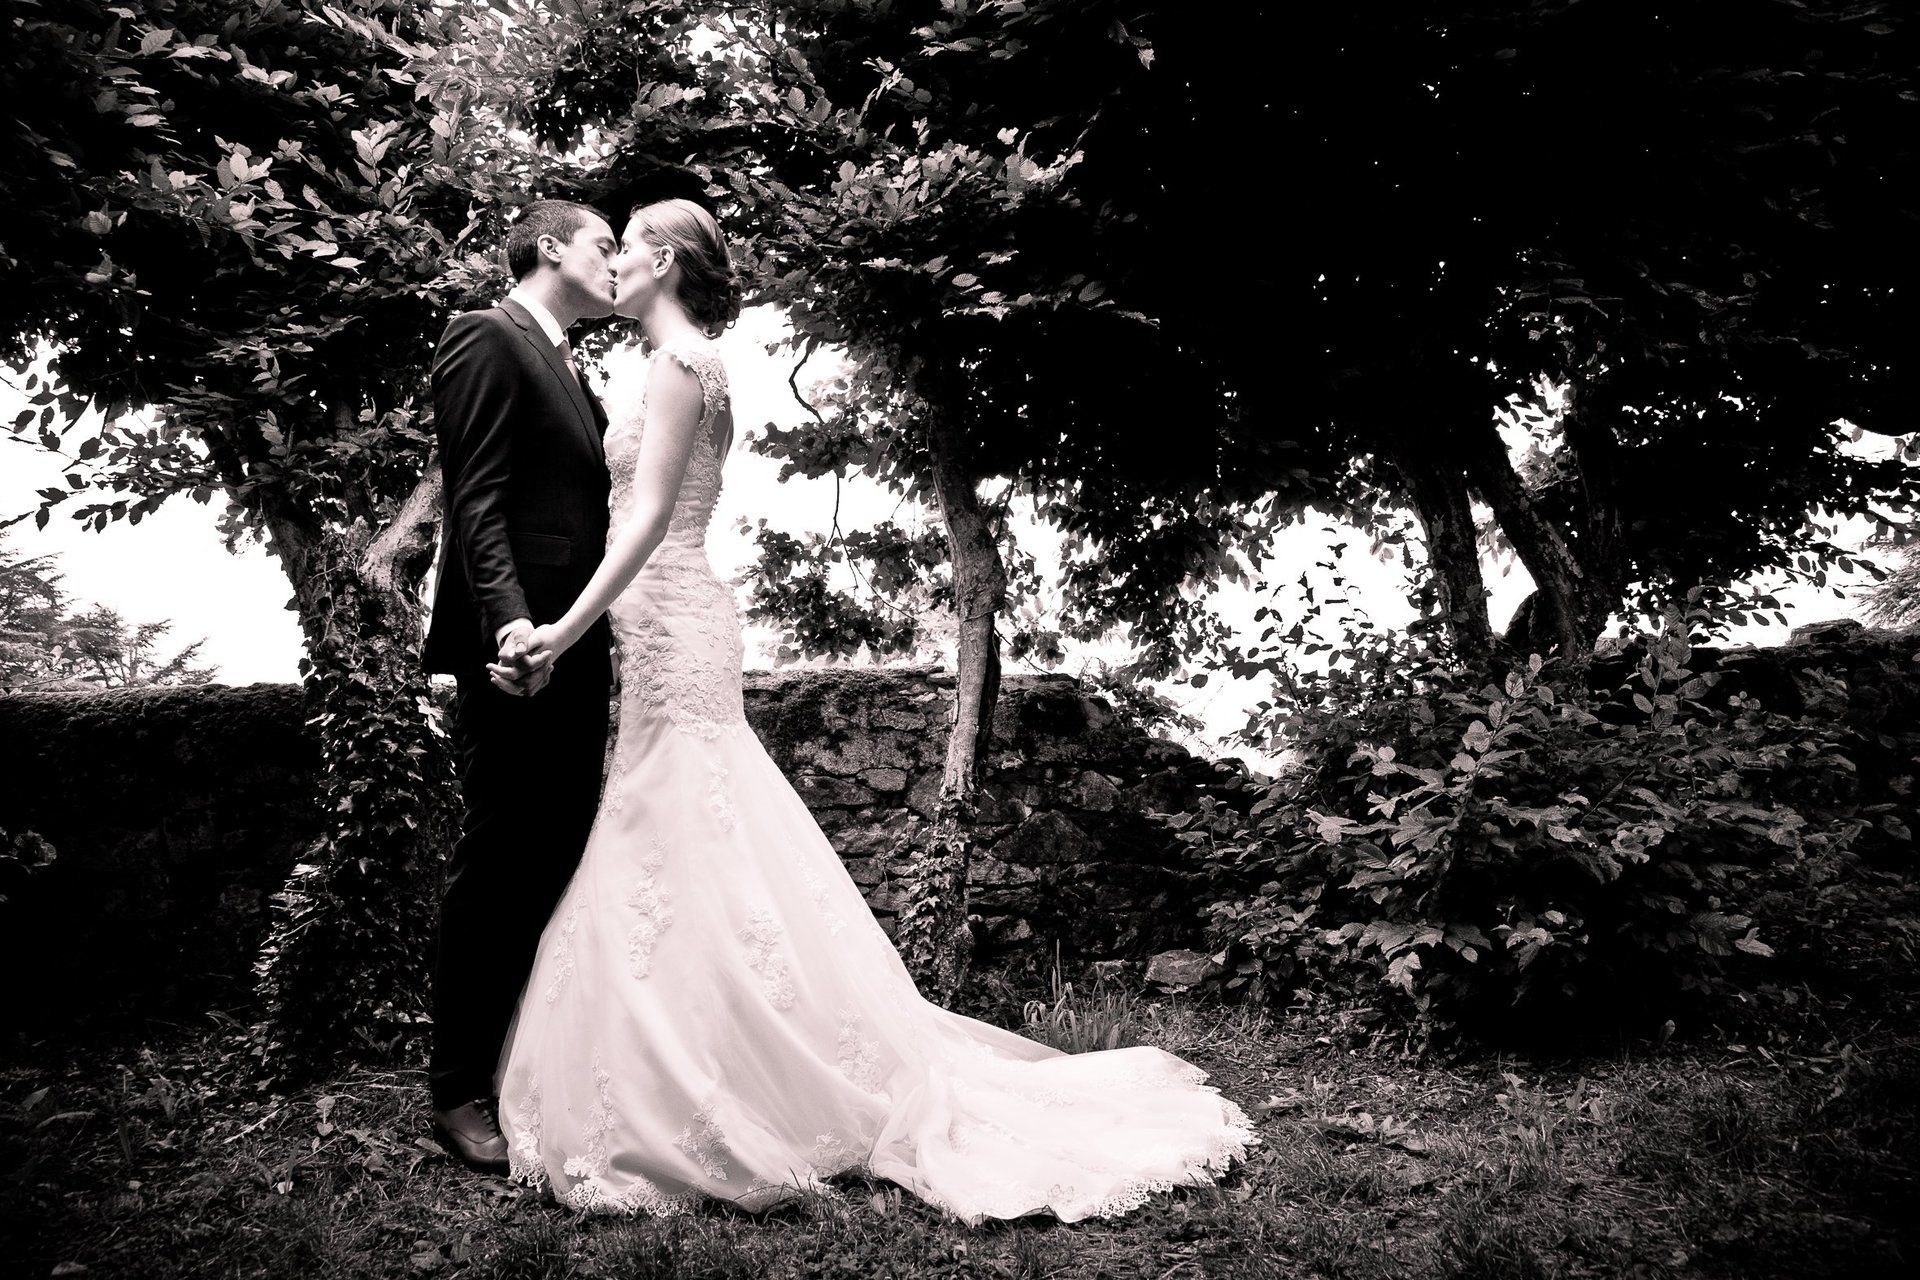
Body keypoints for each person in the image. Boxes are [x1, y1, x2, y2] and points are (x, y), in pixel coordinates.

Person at [494, 197, 1256, 1223]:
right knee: (677, 840)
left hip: (671, 619)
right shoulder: (662, 366)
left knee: (677, 830)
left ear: (664, 259)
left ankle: (717, 1080)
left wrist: (565, 626)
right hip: (661, 625)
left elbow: (641, 525)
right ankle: (708, 1058)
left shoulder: (682, 369)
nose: (613, 263)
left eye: (624, 246)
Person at [420, 199, 619, 1170]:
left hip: (578, 648)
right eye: (604, 244)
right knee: (499, 859)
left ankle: (523, 1064)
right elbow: (479, 498)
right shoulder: (483, 336)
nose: (618, 261)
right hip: (516, 651)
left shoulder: (580, 377)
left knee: (561, 855)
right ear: (551, 248)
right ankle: (456, 1087)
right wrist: (510, 625)